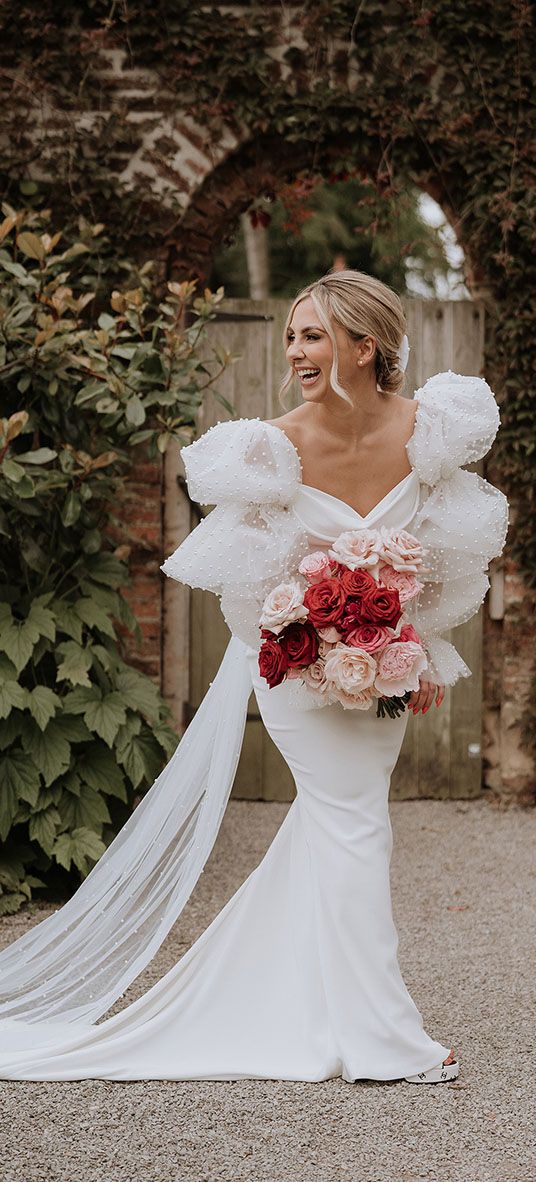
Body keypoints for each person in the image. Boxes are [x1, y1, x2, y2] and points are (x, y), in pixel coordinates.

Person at [0, 270, 508, 1084]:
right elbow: (250, 587)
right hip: (295, 665)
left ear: (363, 344)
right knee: (355, 826)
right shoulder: (267, 448)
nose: (296, 350)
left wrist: (422, 652)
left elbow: (447, 558)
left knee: (340, 823)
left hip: (383, 669)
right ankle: (385, 1040)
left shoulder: (433, 432)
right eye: (293, 336)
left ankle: (312, 1005)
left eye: (312, 335)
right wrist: (313, 629)